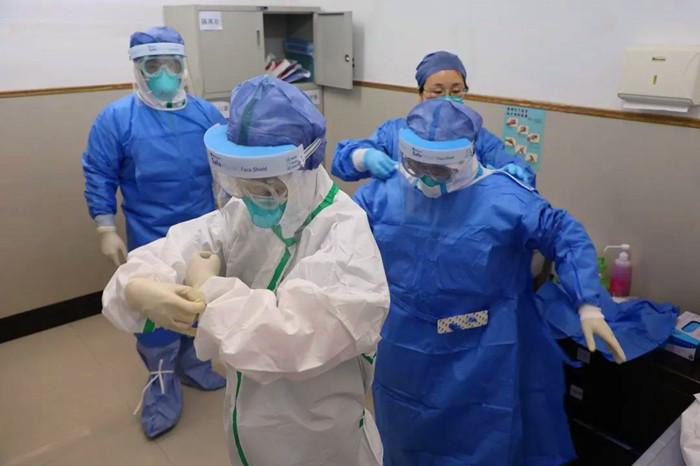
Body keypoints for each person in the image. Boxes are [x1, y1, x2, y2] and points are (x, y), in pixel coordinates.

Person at [101, 75, 390, 465]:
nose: (252, 194)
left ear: (304, 168)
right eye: (241, 180)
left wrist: (208, 289)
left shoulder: (344, 234)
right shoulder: (243, 213)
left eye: (267, 183)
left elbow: (289, 339)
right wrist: (136, 285)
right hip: (247, 428)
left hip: (320, 440)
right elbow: (180, 245)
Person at [353, 99, 626, 465]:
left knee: (479, 442)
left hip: (479, 355)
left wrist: (588, 304)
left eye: (440, 169)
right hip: (404, 352)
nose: (427, 179)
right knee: (403, 440)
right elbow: (349, 253)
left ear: (467, 156)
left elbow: (564, 234)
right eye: (417, 166)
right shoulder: (381, 194)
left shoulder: (505, 198)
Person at [81, 26, 226, 438]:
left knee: (200, 301)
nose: (164, 74)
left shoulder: (206, 115)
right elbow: (99, 173)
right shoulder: (116, 119)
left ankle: (194, 363)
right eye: (153, 65)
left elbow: (224, 170)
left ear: (184, 66)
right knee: (156, 314)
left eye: (172, 64)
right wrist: (105, 227)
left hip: (202, 233)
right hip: (151, 237)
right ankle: (161, 383)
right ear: (137, 68)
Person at [332, 50, 536, 187]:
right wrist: (362, 157)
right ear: (420, 94)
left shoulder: (479, 138)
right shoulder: (394, 133)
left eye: (456, 91)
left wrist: (516, 173)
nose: (447, 99)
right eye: (437, 92)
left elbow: (509, 162)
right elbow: (342, 163)